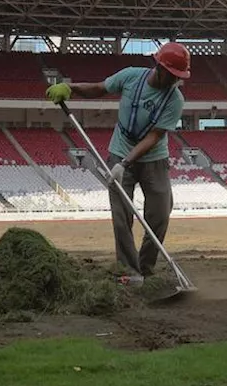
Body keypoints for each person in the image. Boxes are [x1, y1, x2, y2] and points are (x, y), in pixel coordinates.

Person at [46, 42, 190, 284]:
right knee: (122, 216)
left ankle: (145, 267)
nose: (176, 81)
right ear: (159, 67)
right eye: (173, 75)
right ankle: (130, 272)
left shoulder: (175, 100)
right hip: (119, 149)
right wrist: (69, 88)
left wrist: (124, 163)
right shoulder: (131, 76)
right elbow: (99, 88)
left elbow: (154, 136)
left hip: (153, 158)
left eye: (180, 77)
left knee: (160, 212)